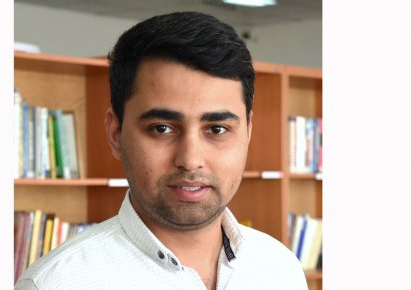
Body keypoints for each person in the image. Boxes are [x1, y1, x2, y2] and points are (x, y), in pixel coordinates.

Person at [15, 11, 308, 290]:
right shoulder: (56, 284)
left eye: (217, 129)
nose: (191, 160)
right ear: (115, 134)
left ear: (248, 133)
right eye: (162, 128)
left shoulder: (279, 268)